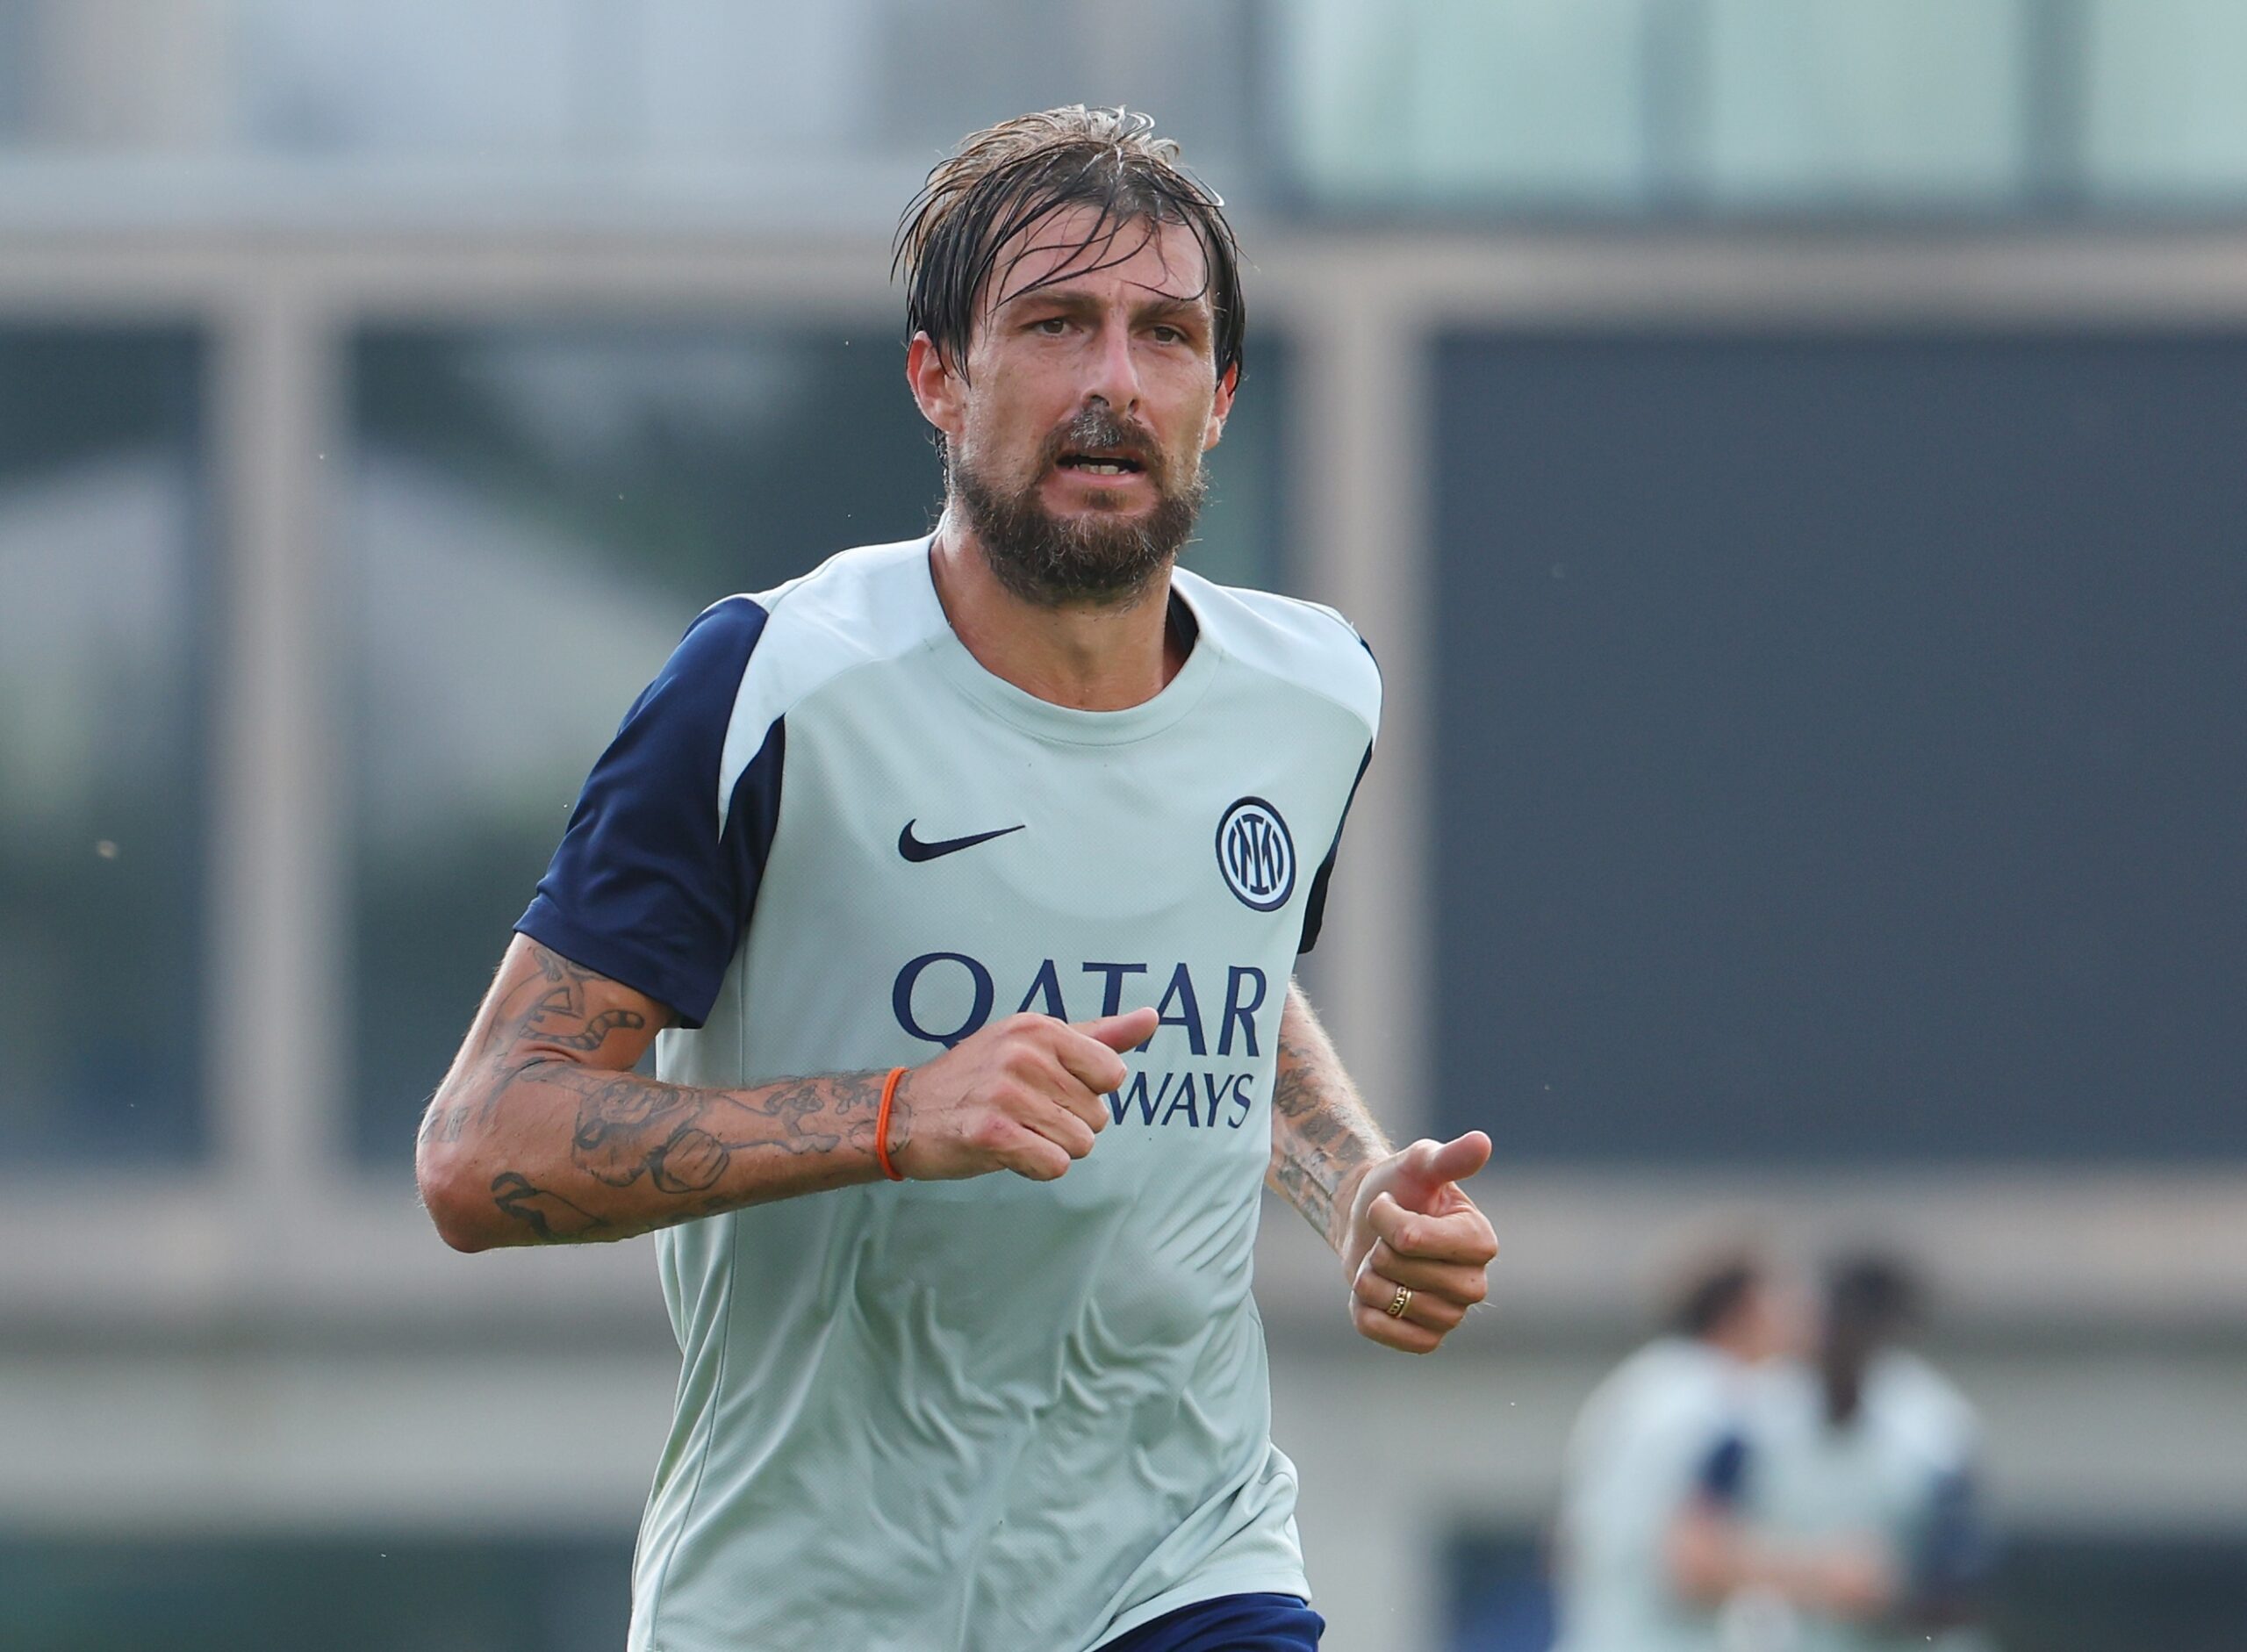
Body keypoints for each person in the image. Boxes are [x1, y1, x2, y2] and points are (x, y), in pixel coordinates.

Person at [413, 105, 1498, 1652]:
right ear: (938, 377)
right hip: (810, 1607)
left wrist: (1354, 1193)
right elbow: (480, 1148)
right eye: (1055, 324)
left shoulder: (1316, 694)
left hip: (1182, 1567)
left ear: (1220, 397)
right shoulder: (772, 685)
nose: (1115, 380)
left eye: (1166, 335)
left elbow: (1229, 974)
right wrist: (896, 1112)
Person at [1550, 1247, 1891, 1652]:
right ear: (1749, 1306)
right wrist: (1826, 1574)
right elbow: (1693, 1561)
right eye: (1788, 1296)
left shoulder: (1637, 1387)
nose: (1807, 1311)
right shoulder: (1726, 1405)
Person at [1733, 1253, 1998, 1652]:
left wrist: (1887, 1591)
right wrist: (1814, 1576)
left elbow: (1958, 1585)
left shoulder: (1932, 1427)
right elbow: (1700, 1543)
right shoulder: (1760, 1409)